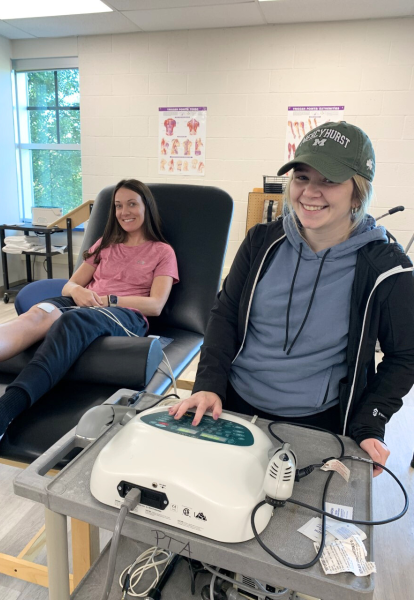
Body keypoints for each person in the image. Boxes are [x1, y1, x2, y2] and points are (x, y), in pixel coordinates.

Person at [169, 121, 414, 476]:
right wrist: (209, 385)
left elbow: (404, 357)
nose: (310, 193)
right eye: (301, 177)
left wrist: (369, 423)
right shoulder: (260, 242)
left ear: (357, 192)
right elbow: (223, 316)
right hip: (234, 405)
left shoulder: (387, 268)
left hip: (319, 423)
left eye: (328, 181)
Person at [0, 179, 179, 469]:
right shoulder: (104, 244)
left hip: (125, 314)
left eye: (132, 204)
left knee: (72, 320)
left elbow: (155, 305)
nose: (124, 211)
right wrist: (78, 291)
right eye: (118, 206)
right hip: (83, 302)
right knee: (37, 314)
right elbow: (70, 285)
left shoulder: (162, 251)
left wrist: (109, 298)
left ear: (146, 207)